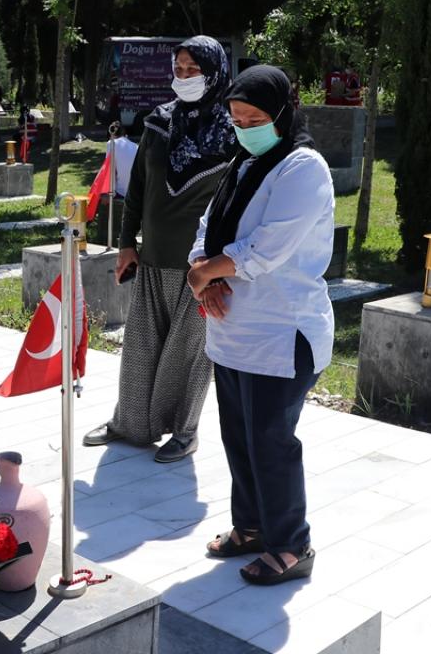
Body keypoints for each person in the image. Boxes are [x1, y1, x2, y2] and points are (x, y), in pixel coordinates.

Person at [188, 64, 333, 586]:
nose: (245, 129)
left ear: (283, 113)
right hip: (232, 332)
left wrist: (207, 272)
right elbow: (208, 226)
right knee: (239, 438)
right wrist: (204, 271)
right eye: (237, 119)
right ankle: (250, 527)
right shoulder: (243, 163)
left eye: (255, 119)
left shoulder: (302, 168)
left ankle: (291, 544)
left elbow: (267, 247)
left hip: (281, 331)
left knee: (271, 441)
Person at [82, 35, 237, 463]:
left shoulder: (232, 133)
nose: (183, 77)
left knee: (188, 354)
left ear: (214, 73)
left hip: (201, 268)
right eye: (178, 69)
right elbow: (137, 188)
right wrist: (126, 243)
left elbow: (238, 203)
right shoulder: (159, 122)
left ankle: (184, 432)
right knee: (140, 349)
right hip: (151, 258)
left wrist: (221, 267)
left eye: (193, 70)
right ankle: (130, 424)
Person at [109, 121, 140, 198]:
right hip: (136, 192)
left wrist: (109, 193)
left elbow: (109, 170)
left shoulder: (111, 143)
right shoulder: (136, 146)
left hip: (121, 192)